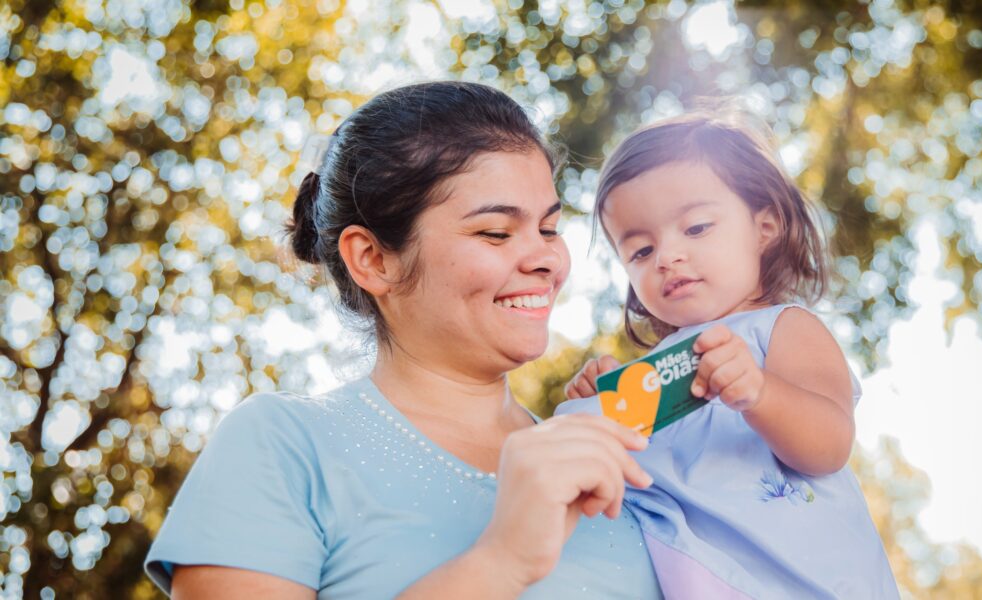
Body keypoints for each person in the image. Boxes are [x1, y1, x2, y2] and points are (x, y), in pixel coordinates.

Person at [143, 81, 663, 599]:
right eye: (496, 233)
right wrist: (500, 563)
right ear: (373, 259)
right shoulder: (284, 445)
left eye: (549, 229)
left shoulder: (618, 454)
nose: (547, 259)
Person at [556, 111, 899, 598]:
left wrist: (759, 393)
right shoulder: (665, 369)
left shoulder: (781, 326)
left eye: (695, 228)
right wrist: (606, 401)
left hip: (803, 579)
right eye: (640, 251)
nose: (667, 256)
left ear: (765, 225)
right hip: (696, 573)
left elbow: (829, 444)